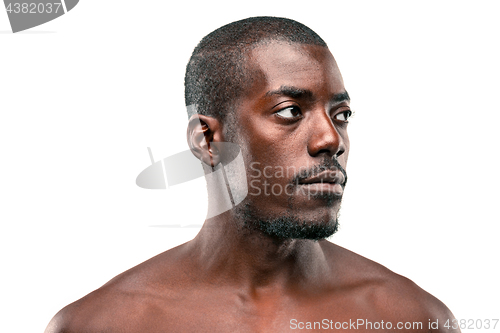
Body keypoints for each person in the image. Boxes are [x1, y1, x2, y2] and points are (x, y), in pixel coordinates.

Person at [45, 16, 460, 332]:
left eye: (342, 115)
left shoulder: (411, 319)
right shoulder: (102, 325)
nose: (331, 139)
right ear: (207, 140)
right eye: (290, 112)